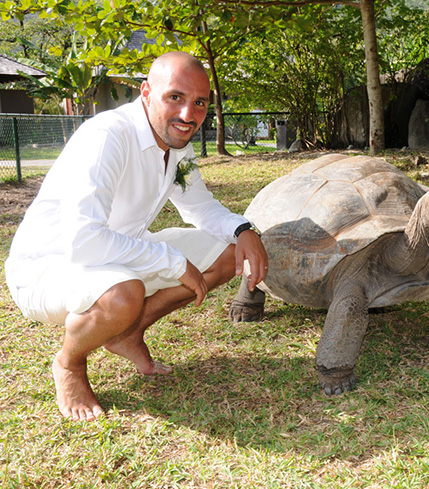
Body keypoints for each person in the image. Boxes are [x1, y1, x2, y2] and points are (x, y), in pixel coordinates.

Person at [4, 51, 268, 421]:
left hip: (118, 257)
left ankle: (127, 334)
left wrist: (243, 230)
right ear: (146, 93)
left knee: (226, 253)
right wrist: (171, 261)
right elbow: (84, 241)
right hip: (49, 268)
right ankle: (69, 363)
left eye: (199, 102)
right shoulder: (107, 136)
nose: (188, 114)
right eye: (175, 97)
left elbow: (199, 207)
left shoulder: (178, 145)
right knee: (123, 293)